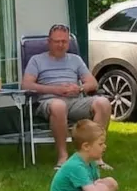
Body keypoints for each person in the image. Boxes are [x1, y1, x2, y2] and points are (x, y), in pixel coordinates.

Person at [22, 23, 113, 169]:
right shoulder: (36, 60)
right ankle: (63, 158)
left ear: (68, 43)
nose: (60, 45)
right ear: (49, 42)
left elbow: (92, 83)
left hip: (75, 101)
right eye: (56, 41)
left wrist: (80, 88)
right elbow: (26, 85)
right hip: (49, 101)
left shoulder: (75, 59)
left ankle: (95, 157)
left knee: (103, 103)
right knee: (59, 105)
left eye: (64, 41)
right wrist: (55, 90)